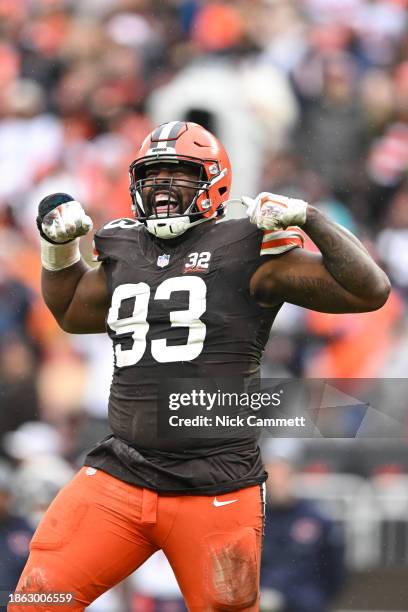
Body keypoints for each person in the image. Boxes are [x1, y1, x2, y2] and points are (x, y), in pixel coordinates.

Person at [11, 121, 390, 611]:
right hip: (120, 476)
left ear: (216, 181)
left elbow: (370, 290)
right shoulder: (122, 245)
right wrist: (58, 250)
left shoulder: (246, 244)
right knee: (39, 601)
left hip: (216, 486)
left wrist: (311, 219)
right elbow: (70, 313)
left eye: (178, 174)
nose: (162, 187)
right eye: (152, 175)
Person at [260, 440, 346, 612]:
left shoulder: (316, 519)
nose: (278, 479)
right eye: (272, 471)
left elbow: (334, 572)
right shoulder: (251, 520)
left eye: (284, 470)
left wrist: (306, 599)